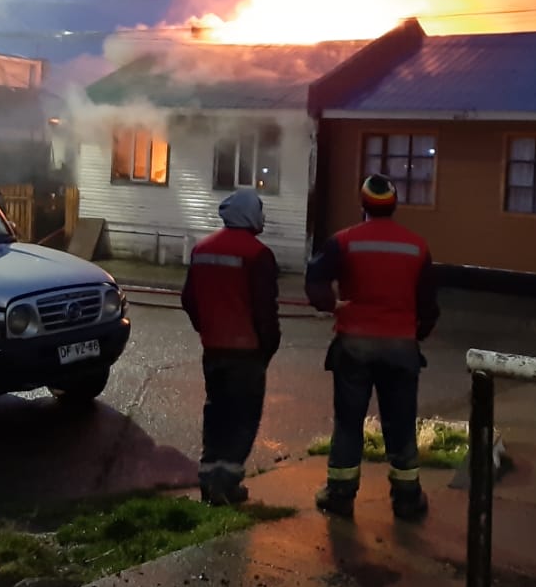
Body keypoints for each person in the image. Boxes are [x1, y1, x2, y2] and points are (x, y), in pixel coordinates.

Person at [304, 173, 440, 521]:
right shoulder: (417, 246)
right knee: (401, 424)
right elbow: (428, 306)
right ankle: (407, 499)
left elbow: (315, 279)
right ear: (394, 205)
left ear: (362, 204)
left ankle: (339, 495)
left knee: (349, 423)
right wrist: (413, 334)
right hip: (401, 348)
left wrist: (330, 305)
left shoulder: (344, 241)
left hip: (353, 347)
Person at [181, 189, 281, 506]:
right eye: (260, 210)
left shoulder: (201, 249)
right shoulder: (258, 255)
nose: (263, 217)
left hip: (213, 348)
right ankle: (226, 485)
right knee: (243, 419)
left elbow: (188, 299)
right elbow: (265, 311)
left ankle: (209, 480)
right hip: (247, 353)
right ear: (249, 215)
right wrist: (267, 347)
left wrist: (206, 328)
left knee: (217, 414)